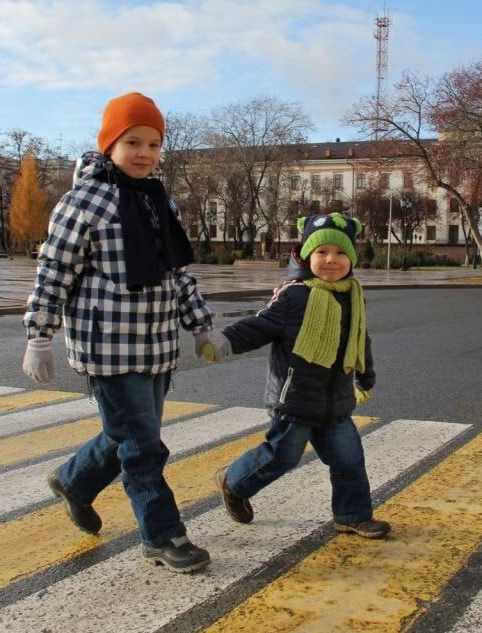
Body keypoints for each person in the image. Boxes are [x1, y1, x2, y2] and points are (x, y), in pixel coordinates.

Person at [21, 91, 222, 574]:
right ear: (109, 143)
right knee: (143, 446)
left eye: (153, 144)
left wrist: (199, 326)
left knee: (128, 434)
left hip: (155, 347)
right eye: (132, 141)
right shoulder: (83, 201)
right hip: (107, 346)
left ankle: (74, 481)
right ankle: (163, 534)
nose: (144, 153)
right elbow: (54, 269)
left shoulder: (158, 199)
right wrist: (39, 335)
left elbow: (176, 273)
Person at [203, 213, 391, 540]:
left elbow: (360, 339)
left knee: (349, 459)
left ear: (352, 258)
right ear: (306, 256)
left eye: (340, 252)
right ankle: (234, 482)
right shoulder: (295, 295)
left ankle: (352, 515)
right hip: (295, 399)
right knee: (281, 456)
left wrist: (365, 377)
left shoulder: (352, 295)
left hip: (335, 402)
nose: (331, 259)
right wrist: (226, 340)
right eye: (321, 252)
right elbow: (259, 326)